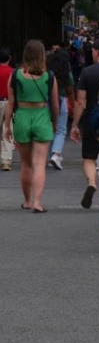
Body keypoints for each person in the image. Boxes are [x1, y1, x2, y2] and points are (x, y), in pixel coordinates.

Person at [3, 40, 59, 213]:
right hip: (41, 115)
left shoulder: (16, 74)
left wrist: (7, 125)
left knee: (26, 164)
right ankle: (37, 202)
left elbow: (11, 103)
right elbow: (55, 104)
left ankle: (27, 200)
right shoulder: (49, 75)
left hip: (22, 117)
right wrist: (54, 122)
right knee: (40, 163)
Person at [70, 38, 99, 209]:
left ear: (96, 52)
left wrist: (75, 124)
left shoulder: (87, 72)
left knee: (90, 157)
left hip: (92, 117)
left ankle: (92, 183)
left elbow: (80, 102)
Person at [47, 50, 73, 170]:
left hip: (46, 102)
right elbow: (70, 90)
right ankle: (56, 154)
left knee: (50, 128)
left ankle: (51, 154)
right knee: (61, 130)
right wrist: (73, 104)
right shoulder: (67, 74)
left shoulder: (47, 73)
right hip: (61, 100)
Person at [0, 47, 14, 171]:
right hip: (9, 102)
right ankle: (6, 161)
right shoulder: (13, 72)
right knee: (7, 130)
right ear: (9, 59)